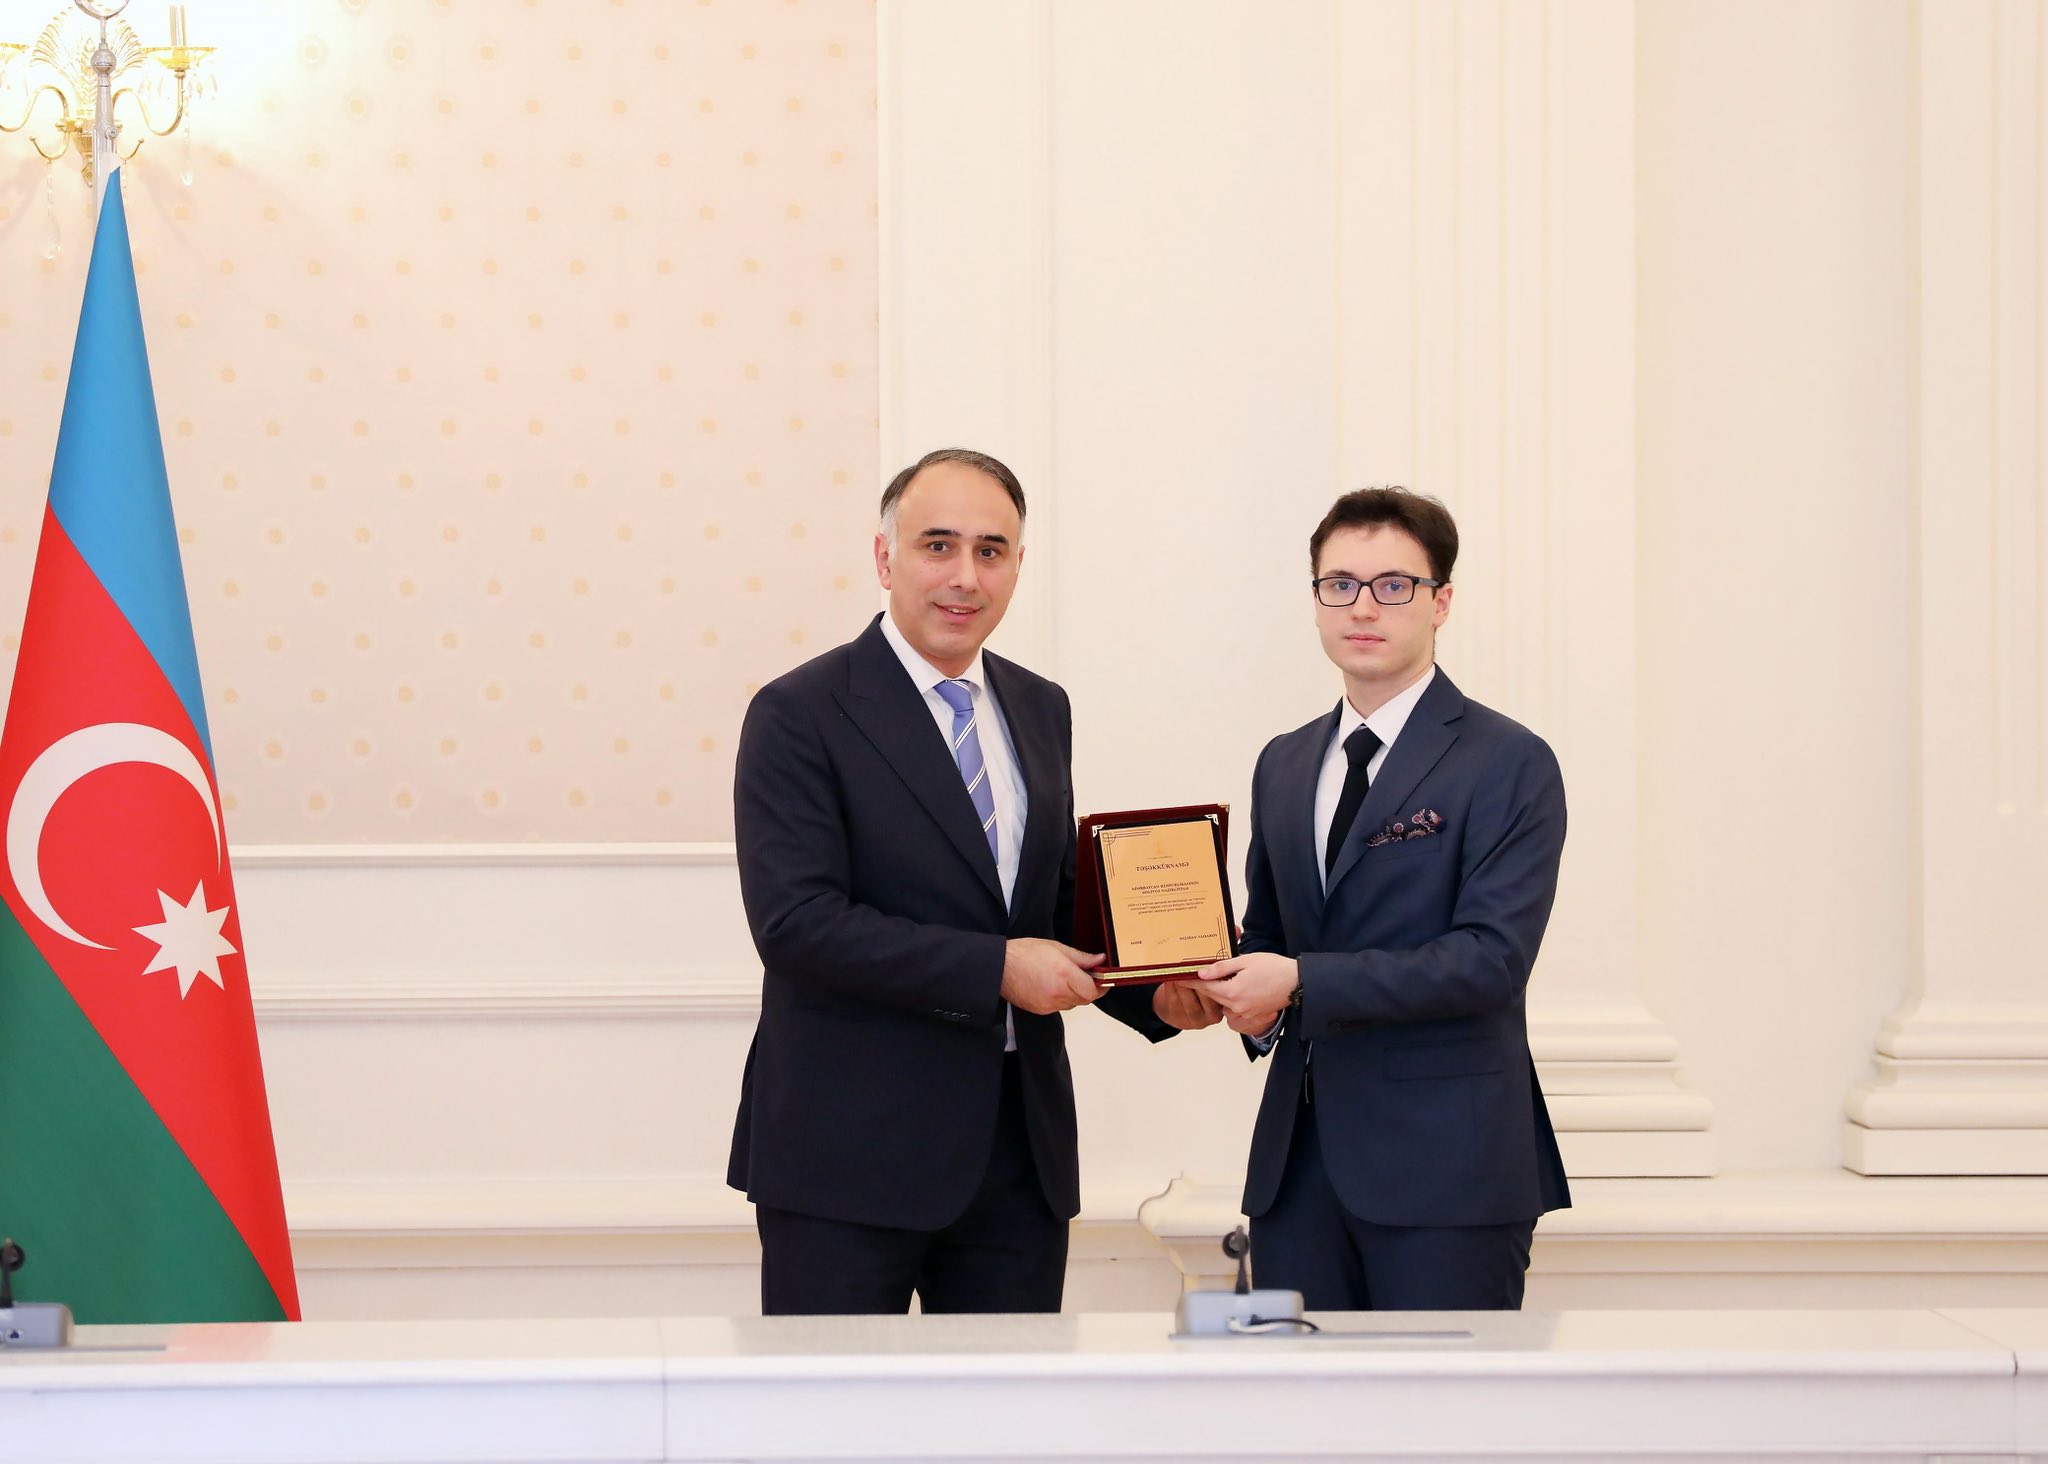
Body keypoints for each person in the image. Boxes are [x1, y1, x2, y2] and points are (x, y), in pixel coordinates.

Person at [728, 447, 1222, 1315]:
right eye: (938, 546)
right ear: (884, 557)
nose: (965, 576)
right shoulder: (799, 712)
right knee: (834, 1402)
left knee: (1012, 1401)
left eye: (991, 551)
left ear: (1018, 567)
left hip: (1017, 1158)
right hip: (846, 1158)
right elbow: (798, 924)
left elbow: (1054, 903)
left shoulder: (1041, 706)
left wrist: (1157, 988)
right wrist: (995, 968)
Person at [1200, 487, 1570, 1310]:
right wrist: (1219, 988)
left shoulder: (1508, 759)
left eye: (1393, 585)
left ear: (1441, 602)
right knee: (1305, 1397)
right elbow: (1271, 935)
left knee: (1443, 1398)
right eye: (1340, 584)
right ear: (1316, 600)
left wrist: (1298, 981)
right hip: (1296, 1171)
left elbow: (1490, 961)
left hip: (1449, 1171)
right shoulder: (1284, 762)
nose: (1363, 607)